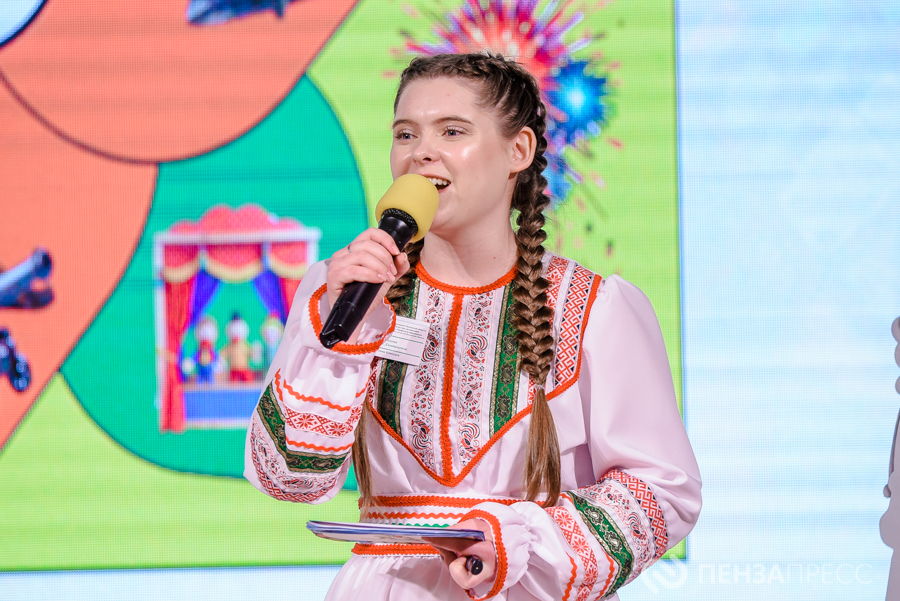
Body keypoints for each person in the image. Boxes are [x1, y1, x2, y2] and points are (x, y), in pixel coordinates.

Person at [244, 52, 701, 601]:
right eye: (405, 134)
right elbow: (289, 478)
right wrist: (340, 341)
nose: (420, 152)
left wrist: (522, 541)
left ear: (519, 151)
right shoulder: (343, 289)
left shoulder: (593, 307)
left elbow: (662, 492)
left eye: (452, 131)